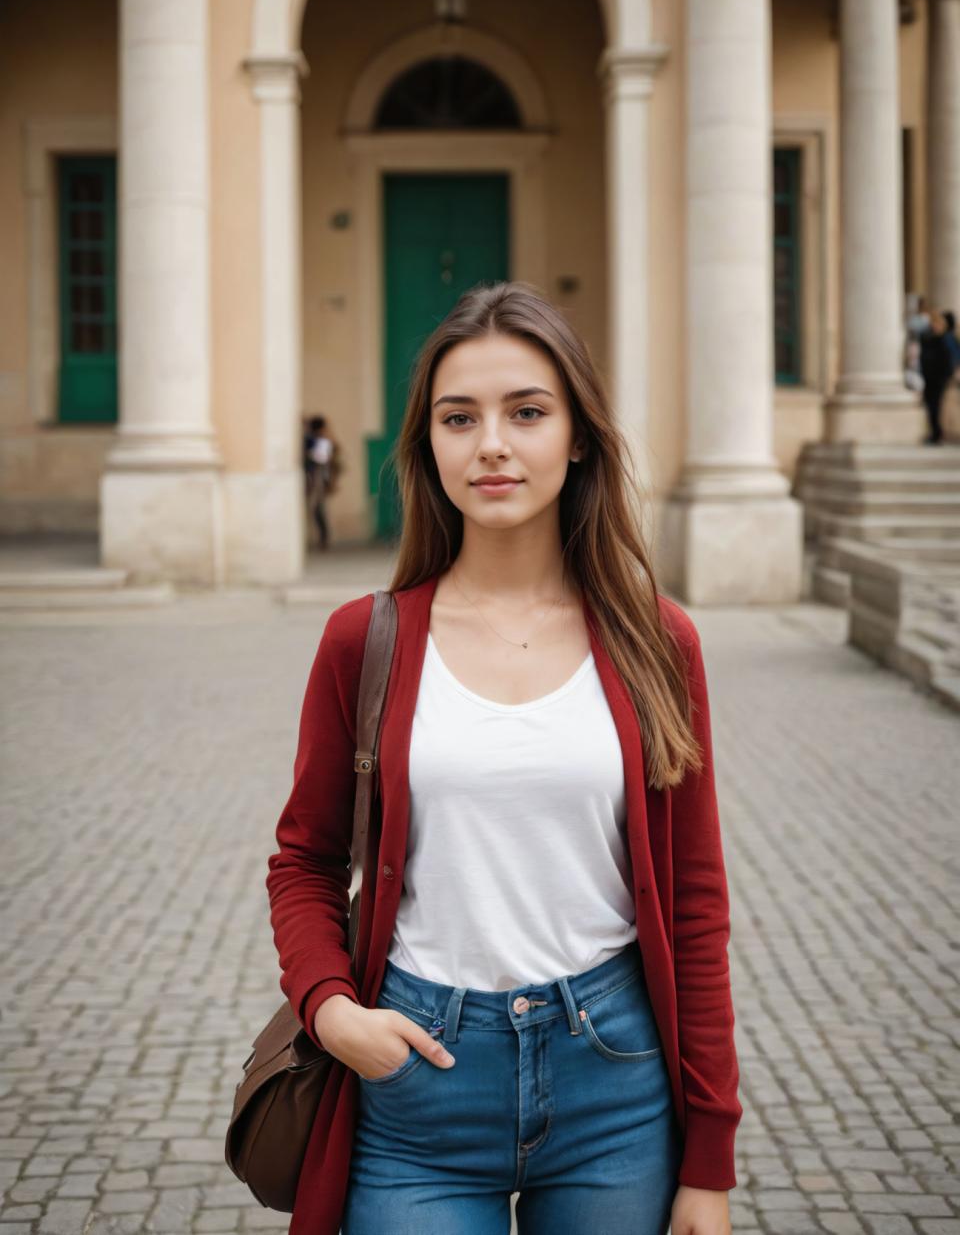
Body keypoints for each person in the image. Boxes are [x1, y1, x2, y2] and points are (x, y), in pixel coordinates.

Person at [267, 281, 741, 1235]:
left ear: (577, 437)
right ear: (428, 445)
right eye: (458, 417)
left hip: (614, 1082)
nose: (491, 442)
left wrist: (711, 1164)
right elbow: (306, 861)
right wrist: (330, 1012)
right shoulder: (365, 641)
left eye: (526, 412)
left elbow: (693, 904)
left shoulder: (659, 642)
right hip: (417, 1085)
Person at [919, 310, 955, 445]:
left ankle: (937, 433)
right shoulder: (927, 337)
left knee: (937, 405)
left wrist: (948, 374)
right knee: (931, 405)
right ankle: (935, 433)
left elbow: (950, 358)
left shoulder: (946, 339)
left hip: (940, 377)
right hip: (929, 377)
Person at [305, 414, 335, 549]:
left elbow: (321, 458)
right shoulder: (316, 440)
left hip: (318, 478)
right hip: (315, 478)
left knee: (318, 509)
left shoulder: (321, 441)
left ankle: (324, 539)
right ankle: (322, 538)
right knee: (317, 509)